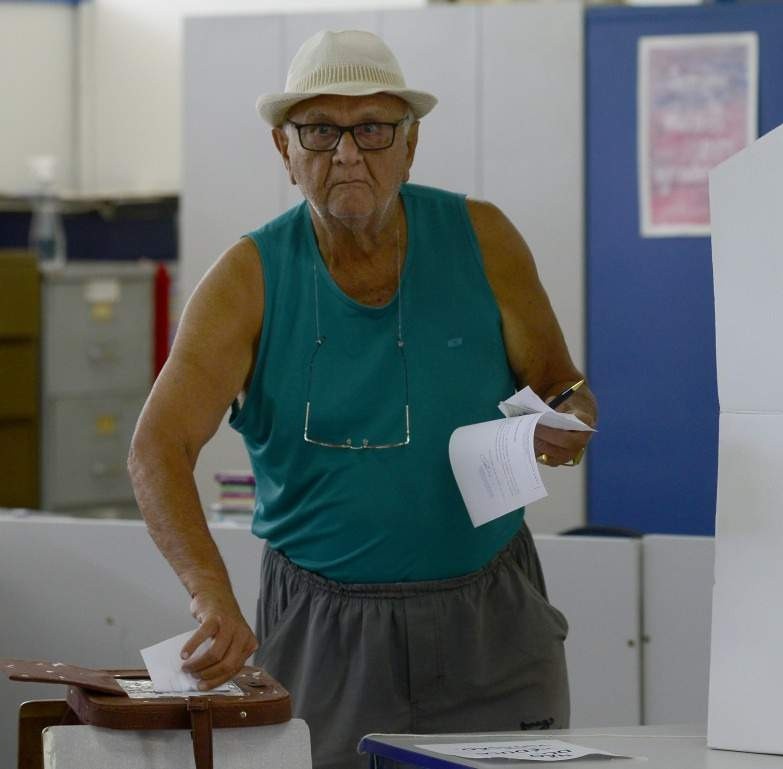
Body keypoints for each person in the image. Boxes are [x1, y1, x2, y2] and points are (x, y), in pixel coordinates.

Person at [128, 28, 596, 769]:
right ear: (285, 152)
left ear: (410, 145)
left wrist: (568, 418)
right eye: (321, 130)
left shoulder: (485, 239)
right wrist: (210, 590)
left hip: (492, 617)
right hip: (323, 626)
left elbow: (560, 382)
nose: (348, 153)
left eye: (373, 129)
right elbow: (157, 447)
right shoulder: (246, 279)